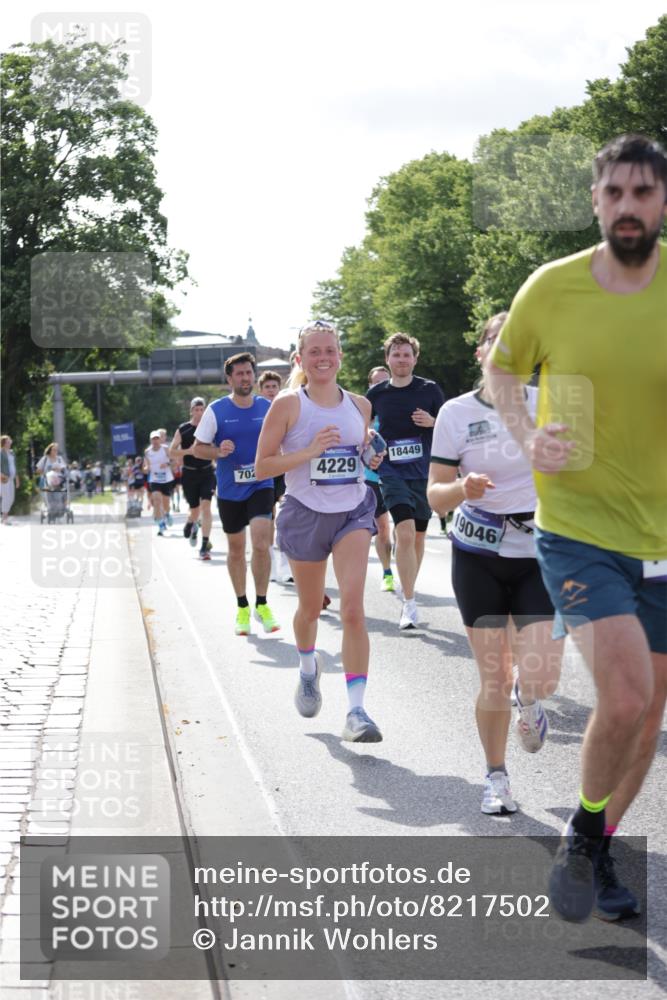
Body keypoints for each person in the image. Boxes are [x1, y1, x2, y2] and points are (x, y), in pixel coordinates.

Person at [486, 133, 667, 923]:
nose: (628, 207)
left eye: (643, 193)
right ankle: (587, 835)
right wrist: (527, 436)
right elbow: (501, 370)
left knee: (649, 713)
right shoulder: (550, 289)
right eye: (614, 194)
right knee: (623, 698)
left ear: (661, 202)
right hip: (579, 529)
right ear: (595, 202)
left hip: (662, 533)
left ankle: (594, 841)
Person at [428, 312, 563, 815]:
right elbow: (436, 497)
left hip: (537, 553)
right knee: (492, 676)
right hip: (478, 552)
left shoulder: (547, 406)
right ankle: (497, 778)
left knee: (542, 676)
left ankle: (531, 700)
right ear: (480, 352)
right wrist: (463, 488)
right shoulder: (455, 414)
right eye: (496, 344)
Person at [255, 320, 384, 742]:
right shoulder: (288, 405)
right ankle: (308, 667)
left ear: (340, 356)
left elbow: (360, 452)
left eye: (330, 350)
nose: (323, 357)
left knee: (352, 609)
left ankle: (357, 711)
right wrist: (310, 451)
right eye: (314, 352)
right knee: (310, 609)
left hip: (352, 512)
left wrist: (370, 454)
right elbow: (263, 466)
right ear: (301, 359)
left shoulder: (360, 405)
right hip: (305, 513)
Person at [194, 353, 280, 634]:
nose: (245, 378)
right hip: (230, 489)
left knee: (260, 543)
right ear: (229, 379)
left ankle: (263, 603)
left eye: (248, 373)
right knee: (235, 549)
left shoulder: (268, 407)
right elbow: (198, 448)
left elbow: (285, 440)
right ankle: (242, 606)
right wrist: (218, 452)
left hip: (261, 483)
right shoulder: (216, 410)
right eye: (239, 374)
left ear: (254, 376)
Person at [367, 333, 445, 630]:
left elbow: (450, 426)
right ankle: (409, 604)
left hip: (424, 472)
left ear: (415, 358)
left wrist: (433, 422)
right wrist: (370, 447)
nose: (401, 359)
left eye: (406, 354)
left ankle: (408, 586)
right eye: (396, 354)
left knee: (419, 537)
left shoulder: (430, 389)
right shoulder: (377, 394)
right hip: (391, 471)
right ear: (387, 359)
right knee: (406, 532)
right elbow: (363, 430)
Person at [169, 397, 216, 561]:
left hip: (207, 472)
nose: (199, 412)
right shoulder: (183, 429)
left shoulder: (210, 428)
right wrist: (189, 451)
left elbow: (216, 449)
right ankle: (191, 522)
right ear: (191, 411)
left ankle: (204, 545)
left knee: (206, 507)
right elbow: (171, 452)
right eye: (196, 409)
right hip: (189, 474)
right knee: (195, 510)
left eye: (201, 409)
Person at [365, 367, 395, 591]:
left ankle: (390, 571)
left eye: (385, 382)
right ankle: (383, 572)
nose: (381, 386)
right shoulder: (363, 412)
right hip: (369, 478)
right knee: (375, 528)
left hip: (394, 474)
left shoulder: (397, 409)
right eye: (376, 383)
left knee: (388, 527)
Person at [144, 430, 174, 535]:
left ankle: (167, 513)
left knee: (166, 504)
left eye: (157, 438)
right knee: (156, 500)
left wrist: (167, 464)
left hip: (167, 479)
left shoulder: (165, 449)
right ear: (151, 440)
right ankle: (161, 525)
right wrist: (146, 468)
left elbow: (173, 460)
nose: (155, 441)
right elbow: (145, 466)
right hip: (154, 479)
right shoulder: (147, 452)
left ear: (160, 439)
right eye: (153, 439)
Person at [1, 435, 20, 524]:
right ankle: (5, 518)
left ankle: (4, 516)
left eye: (10, 441)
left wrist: (17, 479)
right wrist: (2, 475)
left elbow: (15, 466)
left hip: (11, 478)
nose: (10, 443)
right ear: (4, 443)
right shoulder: (1, 453)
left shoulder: (12, 453)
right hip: (3, 479)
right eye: (8, 442)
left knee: (11, 498)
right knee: (6, 497)